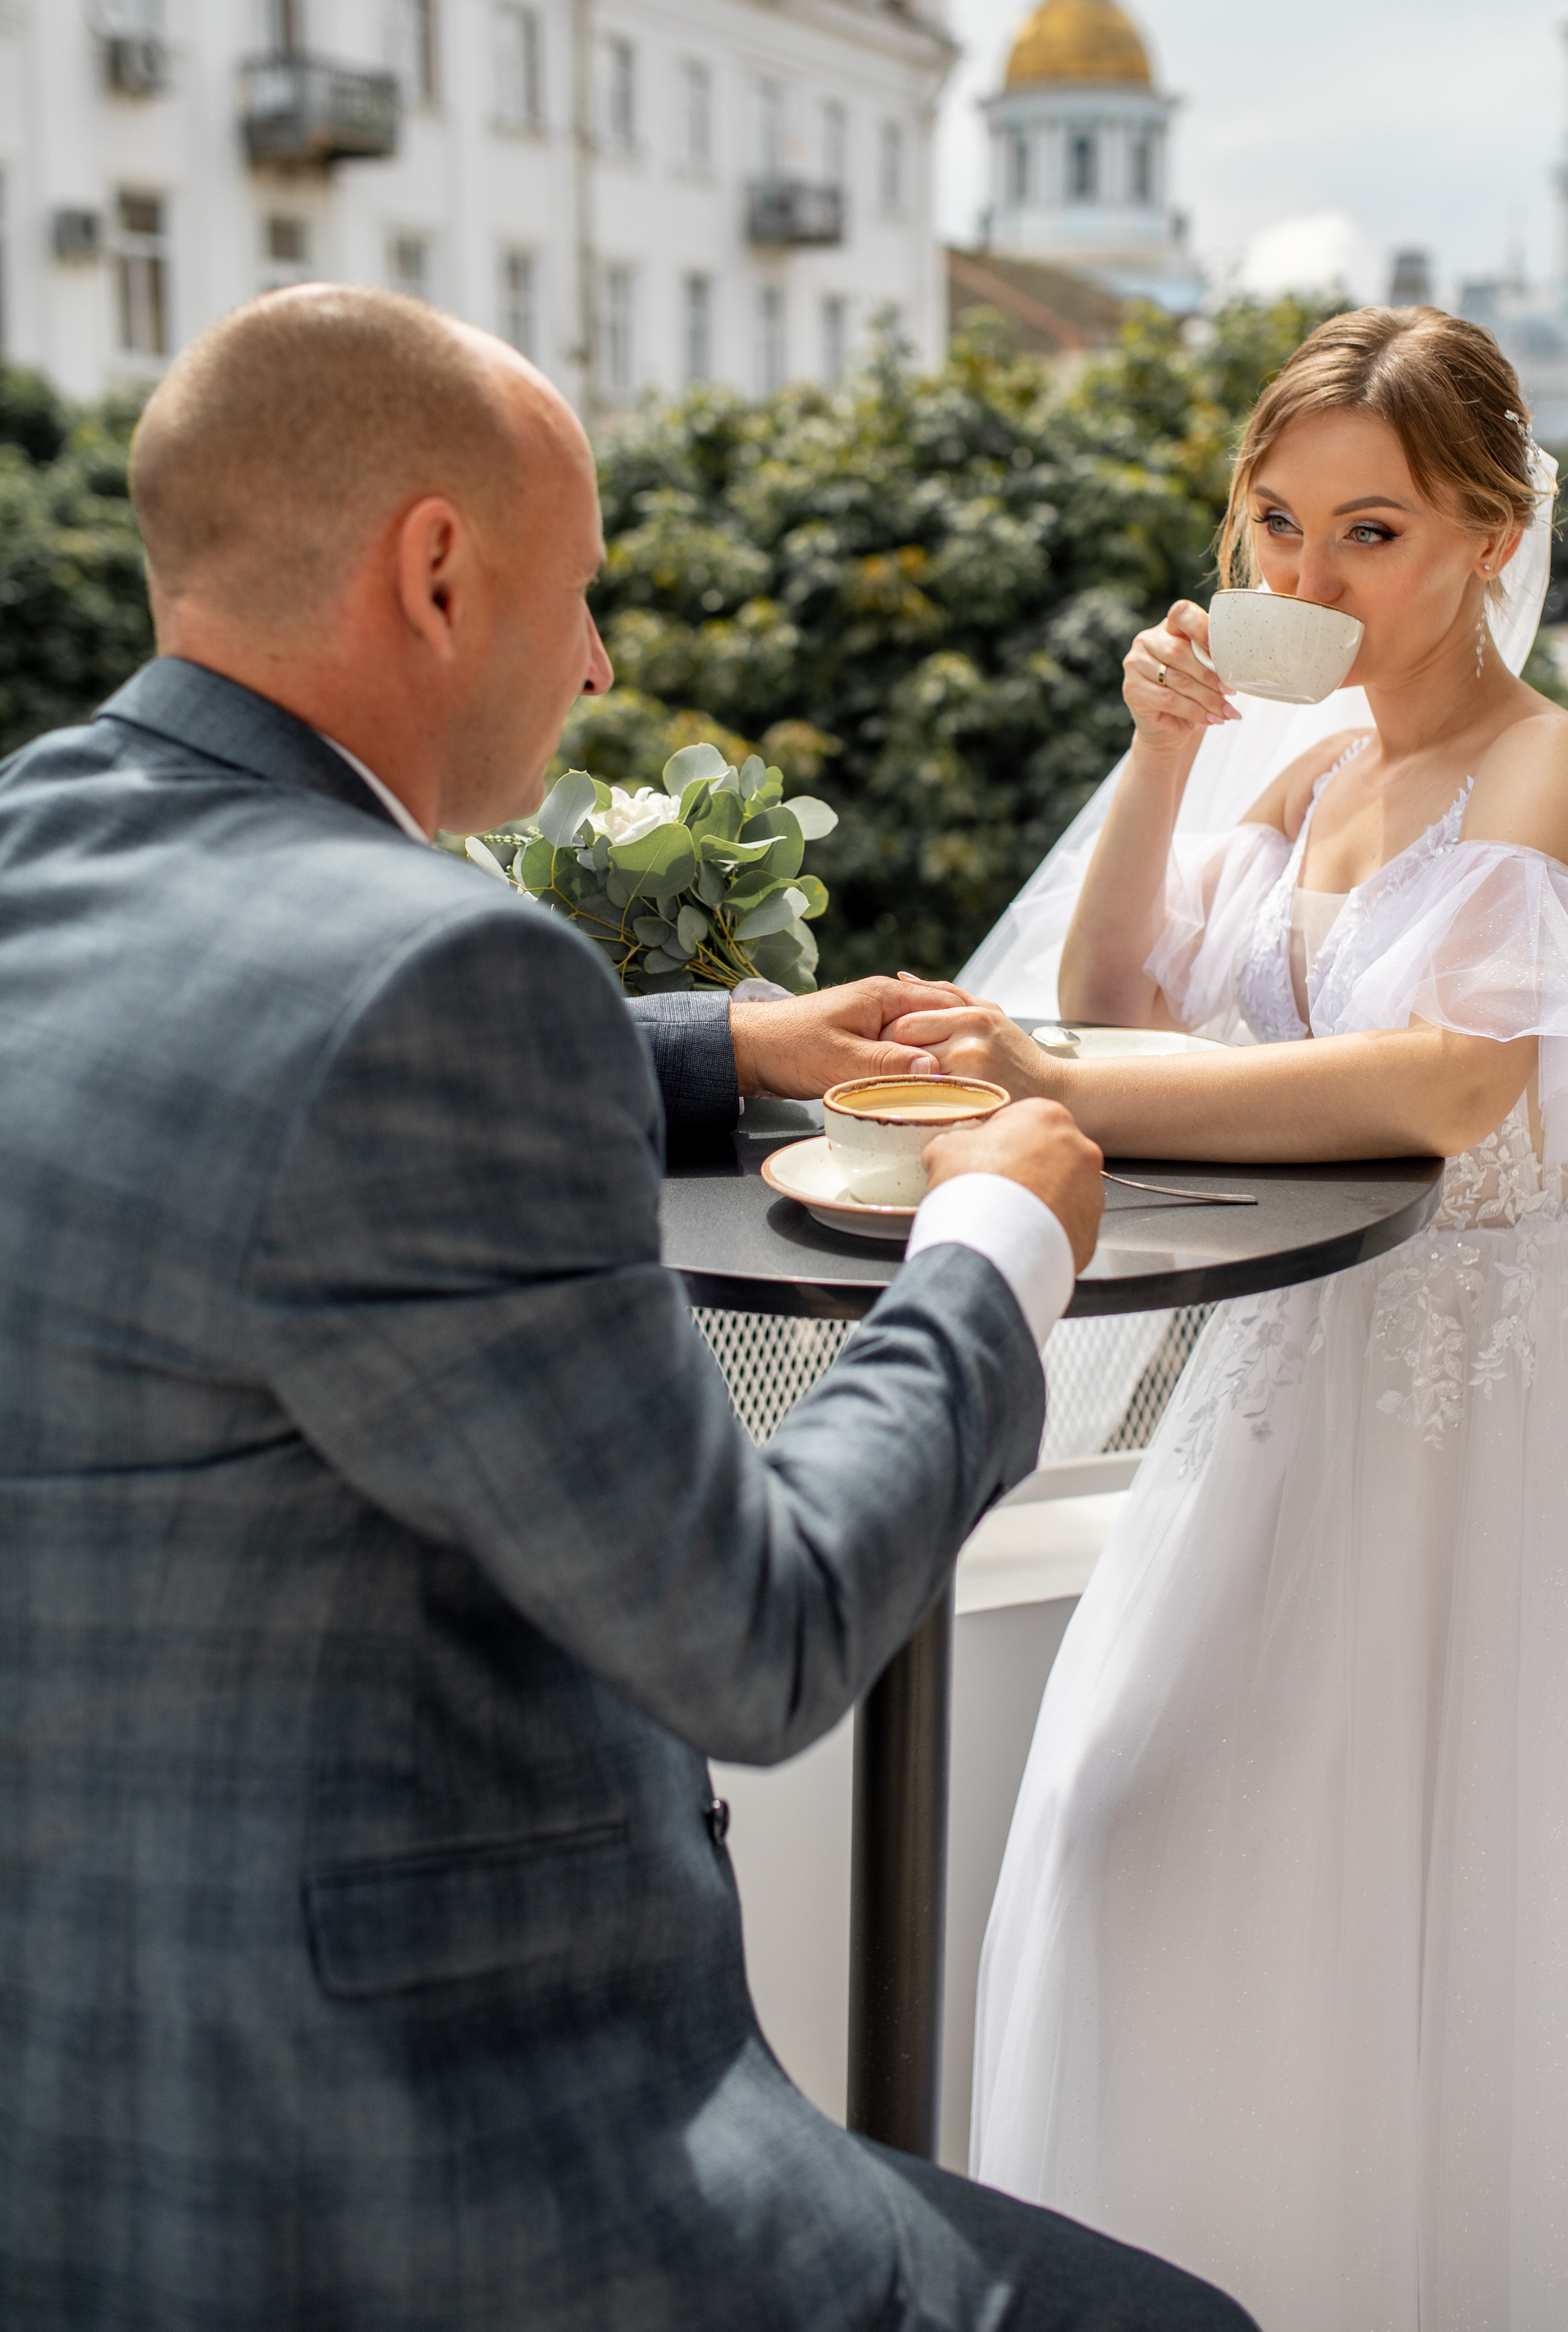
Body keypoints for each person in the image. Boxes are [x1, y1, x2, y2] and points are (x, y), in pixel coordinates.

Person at [0, 285, 1262, 2332]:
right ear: (434, 570)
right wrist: (996, 1248)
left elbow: (270, 1054)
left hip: (91, 2102)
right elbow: (754, 1642)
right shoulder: (432, 983)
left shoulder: (50, 842)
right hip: (431, 2157)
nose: (591, 660)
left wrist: (728, 1040)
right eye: (577, 592)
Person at [885, 306, 1568, 2328]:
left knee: (1512, 1935)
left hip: (1527, 1415)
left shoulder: (1557, 766)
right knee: (1183, 1854)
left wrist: (1054, 1089)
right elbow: (1131, 989)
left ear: (1496, 535)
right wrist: (1163, 750)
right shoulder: (1301, 769)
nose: (1306, 580)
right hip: (1294, 1378)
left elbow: (1440, 1086)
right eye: (1276, 525)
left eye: (1373, 533)